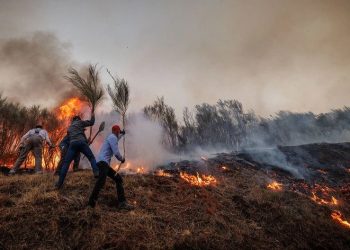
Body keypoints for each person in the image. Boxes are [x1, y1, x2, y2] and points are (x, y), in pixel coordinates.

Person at [88, 125, 134, 210]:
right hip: (103, 163)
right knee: (101, 182)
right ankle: (91, 204)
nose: (119, 133)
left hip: (103, 163)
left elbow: (117, 139)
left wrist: (122, 134)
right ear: (116, 131)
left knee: (118, 179)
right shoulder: (113, 137)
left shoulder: (112, 137)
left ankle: (122, 203)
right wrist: (122, 159)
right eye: (119, 132)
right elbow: (116, 152)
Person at [55, 113, 99, 189]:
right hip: (81, 143)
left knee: (66, 163)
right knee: (91, 158)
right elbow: (91, 122)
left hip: (73, 144)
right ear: (78, 119)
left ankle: (59, 183)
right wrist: (93, 115)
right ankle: (96, 172)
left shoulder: (70, 128)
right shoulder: (80, 122)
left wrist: (87, 141)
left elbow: (71, 138)